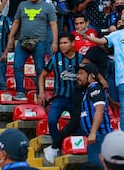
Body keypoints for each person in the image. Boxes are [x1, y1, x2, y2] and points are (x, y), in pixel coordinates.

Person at [4, 0, 58, 101]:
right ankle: (20, 92)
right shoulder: (22, 5)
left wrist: (55, 42)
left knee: (39, 68)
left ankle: (40, 93)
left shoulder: (47, 7)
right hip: (23, 41)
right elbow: (16, 22)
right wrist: (10, 38)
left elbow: (53, 24)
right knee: (17, 66)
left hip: (40, 41)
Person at [38, 32, 82, 164]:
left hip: (76, 99)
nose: (62, 46)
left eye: (65, 43)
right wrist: (41, 92)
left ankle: (59, 147)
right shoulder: (54, 58)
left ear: (72, 43)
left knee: (78, 125)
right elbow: (42, 75)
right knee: (51, 121)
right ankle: (57, 147)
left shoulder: (81, 58)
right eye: (61, 43)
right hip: (59, 97)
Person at [85, 16, 124, 130]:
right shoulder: (117, 34)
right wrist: (86, 36)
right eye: (121, 17)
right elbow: (101, 41)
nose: (122, 19)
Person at [77, 63, 113, 167]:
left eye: (81, 74)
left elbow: (99, 110)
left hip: (99, 136)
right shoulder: (90, 90)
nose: (78, 77)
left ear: (91, 76)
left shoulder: (94, 88)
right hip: (95, 137)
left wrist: (93, 133)